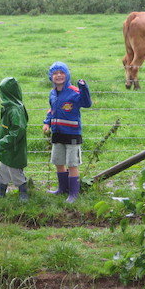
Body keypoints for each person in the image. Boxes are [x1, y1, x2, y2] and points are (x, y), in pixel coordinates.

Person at [42, 61, 92, 203]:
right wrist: (47, 123)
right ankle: (62, 189)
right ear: (50, 77)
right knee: (58, 162)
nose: (58, 76)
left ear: (67, 74)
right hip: (57, 134)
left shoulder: (74, 91)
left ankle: (73, 194)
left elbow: (87, 103)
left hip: (72, 134)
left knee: (72, 164)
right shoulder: (52, 93)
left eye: (61, 73)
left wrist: (84, 88)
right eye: (55, 73)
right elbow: (52, 110)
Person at [0, 77, 29, 201]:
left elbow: (18, 130)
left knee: (15, 172)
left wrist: (4, 142)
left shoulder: (15, 110)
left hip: (14, 148)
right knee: (3, 171)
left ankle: (23, 193)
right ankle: (1, 191)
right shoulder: (8, 108)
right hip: (7, 149)